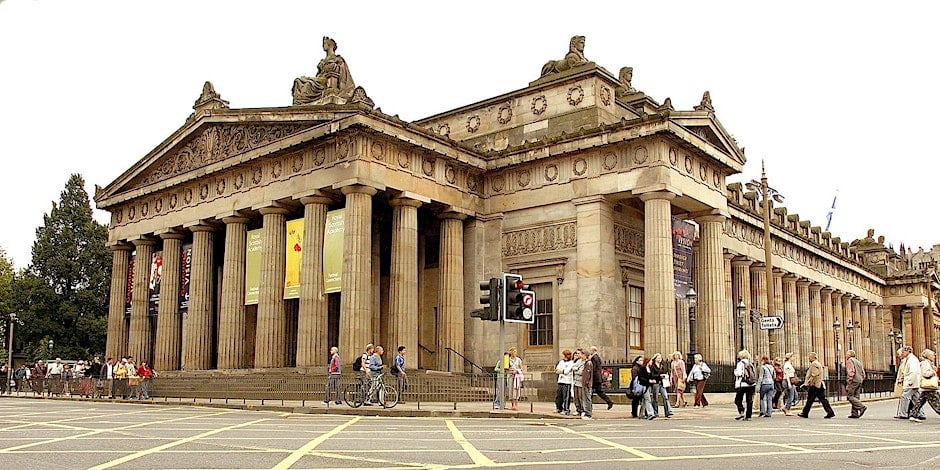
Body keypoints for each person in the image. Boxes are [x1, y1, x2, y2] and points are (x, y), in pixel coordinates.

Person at [292, 36, 356, 105]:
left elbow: (343, 74)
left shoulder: (337, 59)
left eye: (325, 43)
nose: (323, 46)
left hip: (325, 82)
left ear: (330, 45)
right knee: (298, 81)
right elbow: (318, 75)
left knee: (307, 84)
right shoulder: (323, 61)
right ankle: (300, 102)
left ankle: (302, 101)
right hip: (320, 80)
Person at [797, 351, 835, 419]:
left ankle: (805, 413)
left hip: (815, 385)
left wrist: (807, 383)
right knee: (822, 399)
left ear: (812, 357)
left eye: (809, 357)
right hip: (819, 384)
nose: (808, 359)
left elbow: (814, 374)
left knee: (810, 399)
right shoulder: (817, 363)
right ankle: (830, 412)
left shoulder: (814, 364)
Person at [896, 346, 925, 421]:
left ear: (908, 351)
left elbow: (913, 371)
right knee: (916, 399)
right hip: (914, 382)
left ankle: (903, 414)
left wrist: (910, 382)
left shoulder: (911, 360)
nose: (902, 353)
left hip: (911, 382)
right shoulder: (911, 359)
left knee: (905, 397)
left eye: (903, 352)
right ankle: (920, 413)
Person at [910, 349, 940, 421]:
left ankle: (913, 415)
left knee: (920, 401)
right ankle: (913, 415)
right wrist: (933, 372)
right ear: (928, 356)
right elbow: (925, 373)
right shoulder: (925, 364)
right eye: (933, 355)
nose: (934, 357)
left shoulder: (929, 363)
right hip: (929, 386)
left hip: (927, 387)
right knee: (937, 401)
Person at [647, 353, 673, 418]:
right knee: (655, 398)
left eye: (660, 358)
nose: (660, 359)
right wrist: (659, 376)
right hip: (656, 383)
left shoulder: (662, 365)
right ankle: (655, 412)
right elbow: (652, 375)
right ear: (655, 359)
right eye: (658, 358)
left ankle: (668, 412)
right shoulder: (652, 366)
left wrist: (665, 376)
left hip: (662, 383)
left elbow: (665, 372)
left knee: (665, 397)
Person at [733, 349, 756, 421]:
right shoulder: (750, 363)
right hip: (751, 384)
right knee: (749, 400)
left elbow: (739, 373)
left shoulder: (740, 363)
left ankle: (741, 412)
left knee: (737, 400)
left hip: (742, 384)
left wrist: (735, 371)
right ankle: (749, 416)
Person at [589, 346, 614, 410]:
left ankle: (589, 405)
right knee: (599, 392)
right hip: (598, 378)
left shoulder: (594, 358)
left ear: (593, 350)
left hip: (595, 378)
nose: (590, 351)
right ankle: (609, 401)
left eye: (591, 350)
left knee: (591, 392)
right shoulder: (597, 357)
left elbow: (593, 368)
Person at [844, 350, 867, 418]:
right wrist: (861, 378)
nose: (846, 355)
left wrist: (849, 379)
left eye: (847, 354)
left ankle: (862, 407)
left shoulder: (850, 361)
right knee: (856, 397)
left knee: (850, 396)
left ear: (849, 355)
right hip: (859, 380)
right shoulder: (858, 362)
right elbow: (863, 372)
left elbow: (851, 371)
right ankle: (854, 413)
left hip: (853, 380)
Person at [554, 350, 574, 415]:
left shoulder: (571, 363)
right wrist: (560, 371)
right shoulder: (561, 362)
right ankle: (559, 408)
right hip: (560, 381)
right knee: (559, 396)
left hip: (567, 382)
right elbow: (557, 369)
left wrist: (562, 371)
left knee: (566, 396)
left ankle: (566, 409)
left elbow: (566, 371)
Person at [571, 349, 588, 417]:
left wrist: (576, 370)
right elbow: (573, 367)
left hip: (581, 382)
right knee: (576, 397)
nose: (579, 355)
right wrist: (576, 369)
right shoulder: (578, 361)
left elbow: (581, 372)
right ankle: (578, 409)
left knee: (581, 397)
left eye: (580, 353)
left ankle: (583, 410)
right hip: (575, 381)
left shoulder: (586, 362)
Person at [579, 349, 594, 419]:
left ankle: (588, 413)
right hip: (585, 383)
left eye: (582, 355)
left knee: (587, 398)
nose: (581, 356)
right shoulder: (586, 363)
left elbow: (588, 375)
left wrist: (586, 383)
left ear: (585, 355)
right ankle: (587, 412)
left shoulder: (588, 363)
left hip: (587, 384)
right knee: (586, 398)